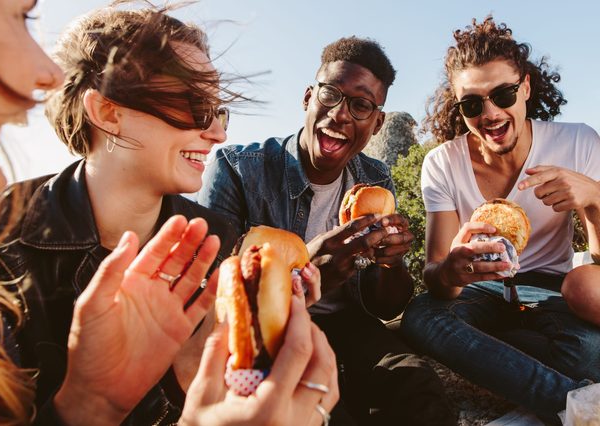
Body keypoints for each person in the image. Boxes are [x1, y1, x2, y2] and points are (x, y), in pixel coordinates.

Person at [0, 4, 326, 425]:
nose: (218, 133)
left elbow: (219, 393)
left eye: (218, 111)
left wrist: (262, 335)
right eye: (194, 104)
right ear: (109, 113)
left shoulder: (216, 239)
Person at [198, 36, 455, 425]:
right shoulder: (237, 169)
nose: (340, 115)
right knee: (326, 414)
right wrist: (304, 267)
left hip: (348, 325)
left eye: (361, 105)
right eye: (330, 95)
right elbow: (210, 293)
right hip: (269, 336)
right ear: (308, 98)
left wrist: (391, 263)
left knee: (421, 393)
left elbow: (388, 307)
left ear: (377, 122)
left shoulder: (375, 179)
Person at [400, 16, 600, 423]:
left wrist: (594, 199)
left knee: (588, 352)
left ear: (525, 87)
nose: (490, 114)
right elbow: (434, 276)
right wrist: (454, 269)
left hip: (550, 289)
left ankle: (495, 355)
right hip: (479, 292)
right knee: (422, 316)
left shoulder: (577, 142)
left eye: (504, 94)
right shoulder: (443, 163)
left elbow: (597, 262)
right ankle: (575, 405)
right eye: (472, 104)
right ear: (459, 107)